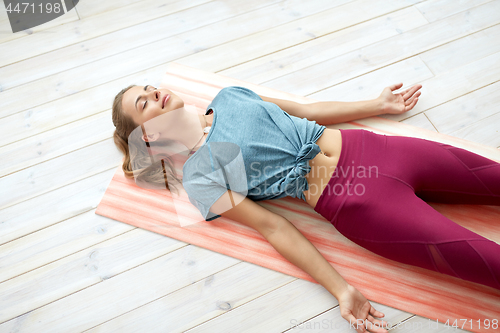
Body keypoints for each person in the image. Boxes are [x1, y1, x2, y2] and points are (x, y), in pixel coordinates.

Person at [112, 82, 500, 333]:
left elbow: (304, 108)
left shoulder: (230, 96)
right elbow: (273, 226)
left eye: (149, 87)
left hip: (380, 149)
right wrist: (341, 289)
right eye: (143, 103)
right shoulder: (201, 177)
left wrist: (376, 103)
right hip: (359, 203)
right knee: (488, 263)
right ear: (149, 136)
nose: (154, 93)